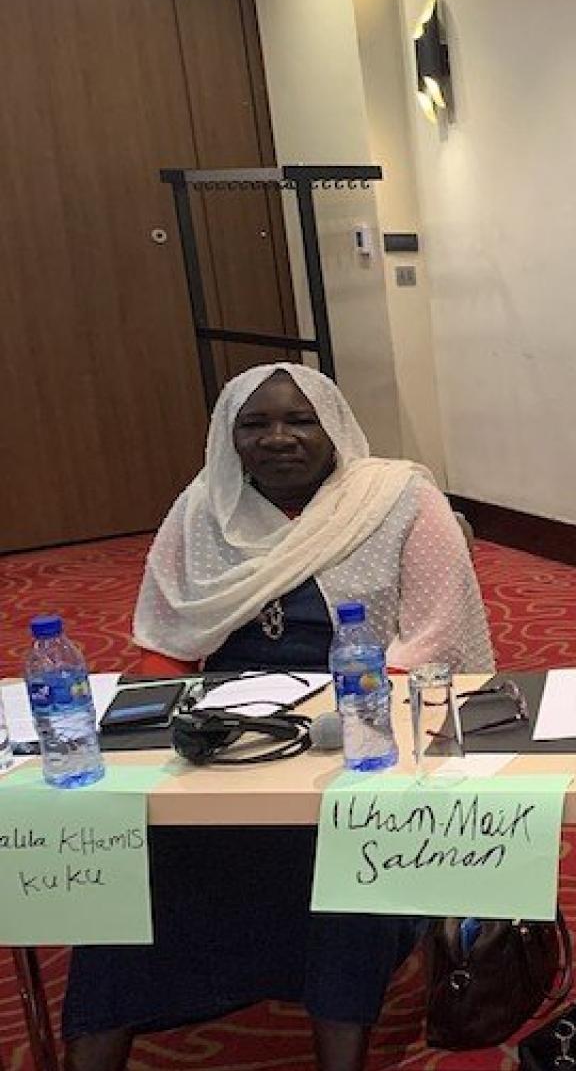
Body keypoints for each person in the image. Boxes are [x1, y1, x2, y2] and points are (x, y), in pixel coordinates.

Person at [64, 364, 495, 1071]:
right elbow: (166, 642)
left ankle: (340, 1046)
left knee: (343, 842)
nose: (279, 438)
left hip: (362, 726)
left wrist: (339, 721)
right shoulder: (204, 505)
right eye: (255, 424)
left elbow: (436, 640)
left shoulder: (399, 500)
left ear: (334, 427)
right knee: (130, 851)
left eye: (300, 420)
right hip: (227, 737)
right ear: (228, 437)